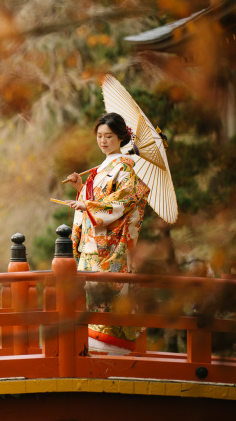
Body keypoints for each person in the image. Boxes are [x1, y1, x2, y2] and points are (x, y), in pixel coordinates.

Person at [65, 112, 150, 354]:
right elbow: (97, 199)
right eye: (100, 136)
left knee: (107, 297)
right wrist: (81, 189)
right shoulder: (104, 167)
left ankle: (111, 351)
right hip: (92, 245)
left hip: (109, 247)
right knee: (90, 295)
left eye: (109, 136)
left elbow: (125, 200)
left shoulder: (124, 167)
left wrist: (89, 206)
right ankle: (92, 346)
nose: (103, 141)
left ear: (121, 137)